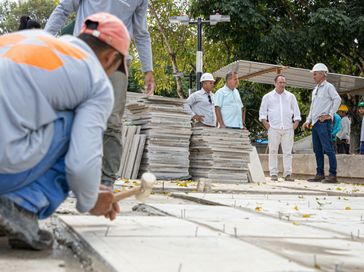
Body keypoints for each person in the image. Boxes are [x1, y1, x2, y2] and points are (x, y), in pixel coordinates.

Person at [0, 12, 130, 250]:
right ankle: (20, 206)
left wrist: (89, 186)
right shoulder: (96, 81)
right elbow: (81, 164)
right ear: (111, 58)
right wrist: (90, 199)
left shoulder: (32, 39)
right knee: (74, 122)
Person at [45, 0, 155, 188]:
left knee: (112, 122)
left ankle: (106, 183)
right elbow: (63, 9)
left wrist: (148, 70)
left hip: (117, 61)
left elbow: (141, 33)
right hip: (83, 55)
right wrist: (43, 41)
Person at [302, 63, 341, 183]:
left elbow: (337, 99)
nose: (313, 76)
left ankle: (332, 175)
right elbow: (313, 107)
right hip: (315, 123)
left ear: (323, 74)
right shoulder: (315, 90)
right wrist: (308, 120)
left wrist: (330, 115)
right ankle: (319, 174)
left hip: (324, 123)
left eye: (315, 74)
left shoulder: (329, 87)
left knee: (328, 149)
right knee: (317, 149)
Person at [259, 75, 301, 182]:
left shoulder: (291, 96)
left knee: (287, 152)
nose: (282, 84)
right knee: (273, 151)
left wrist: (296, 122)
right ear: (275, 83)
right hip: (273, 127)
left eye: (283, 82)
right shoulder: (267, 97)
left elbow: (296, 111)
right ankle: (273, 174)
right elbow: (263, 112)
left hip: (288, 127)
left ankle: (287, 174)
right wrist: (265, 123)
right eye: (280, 82)